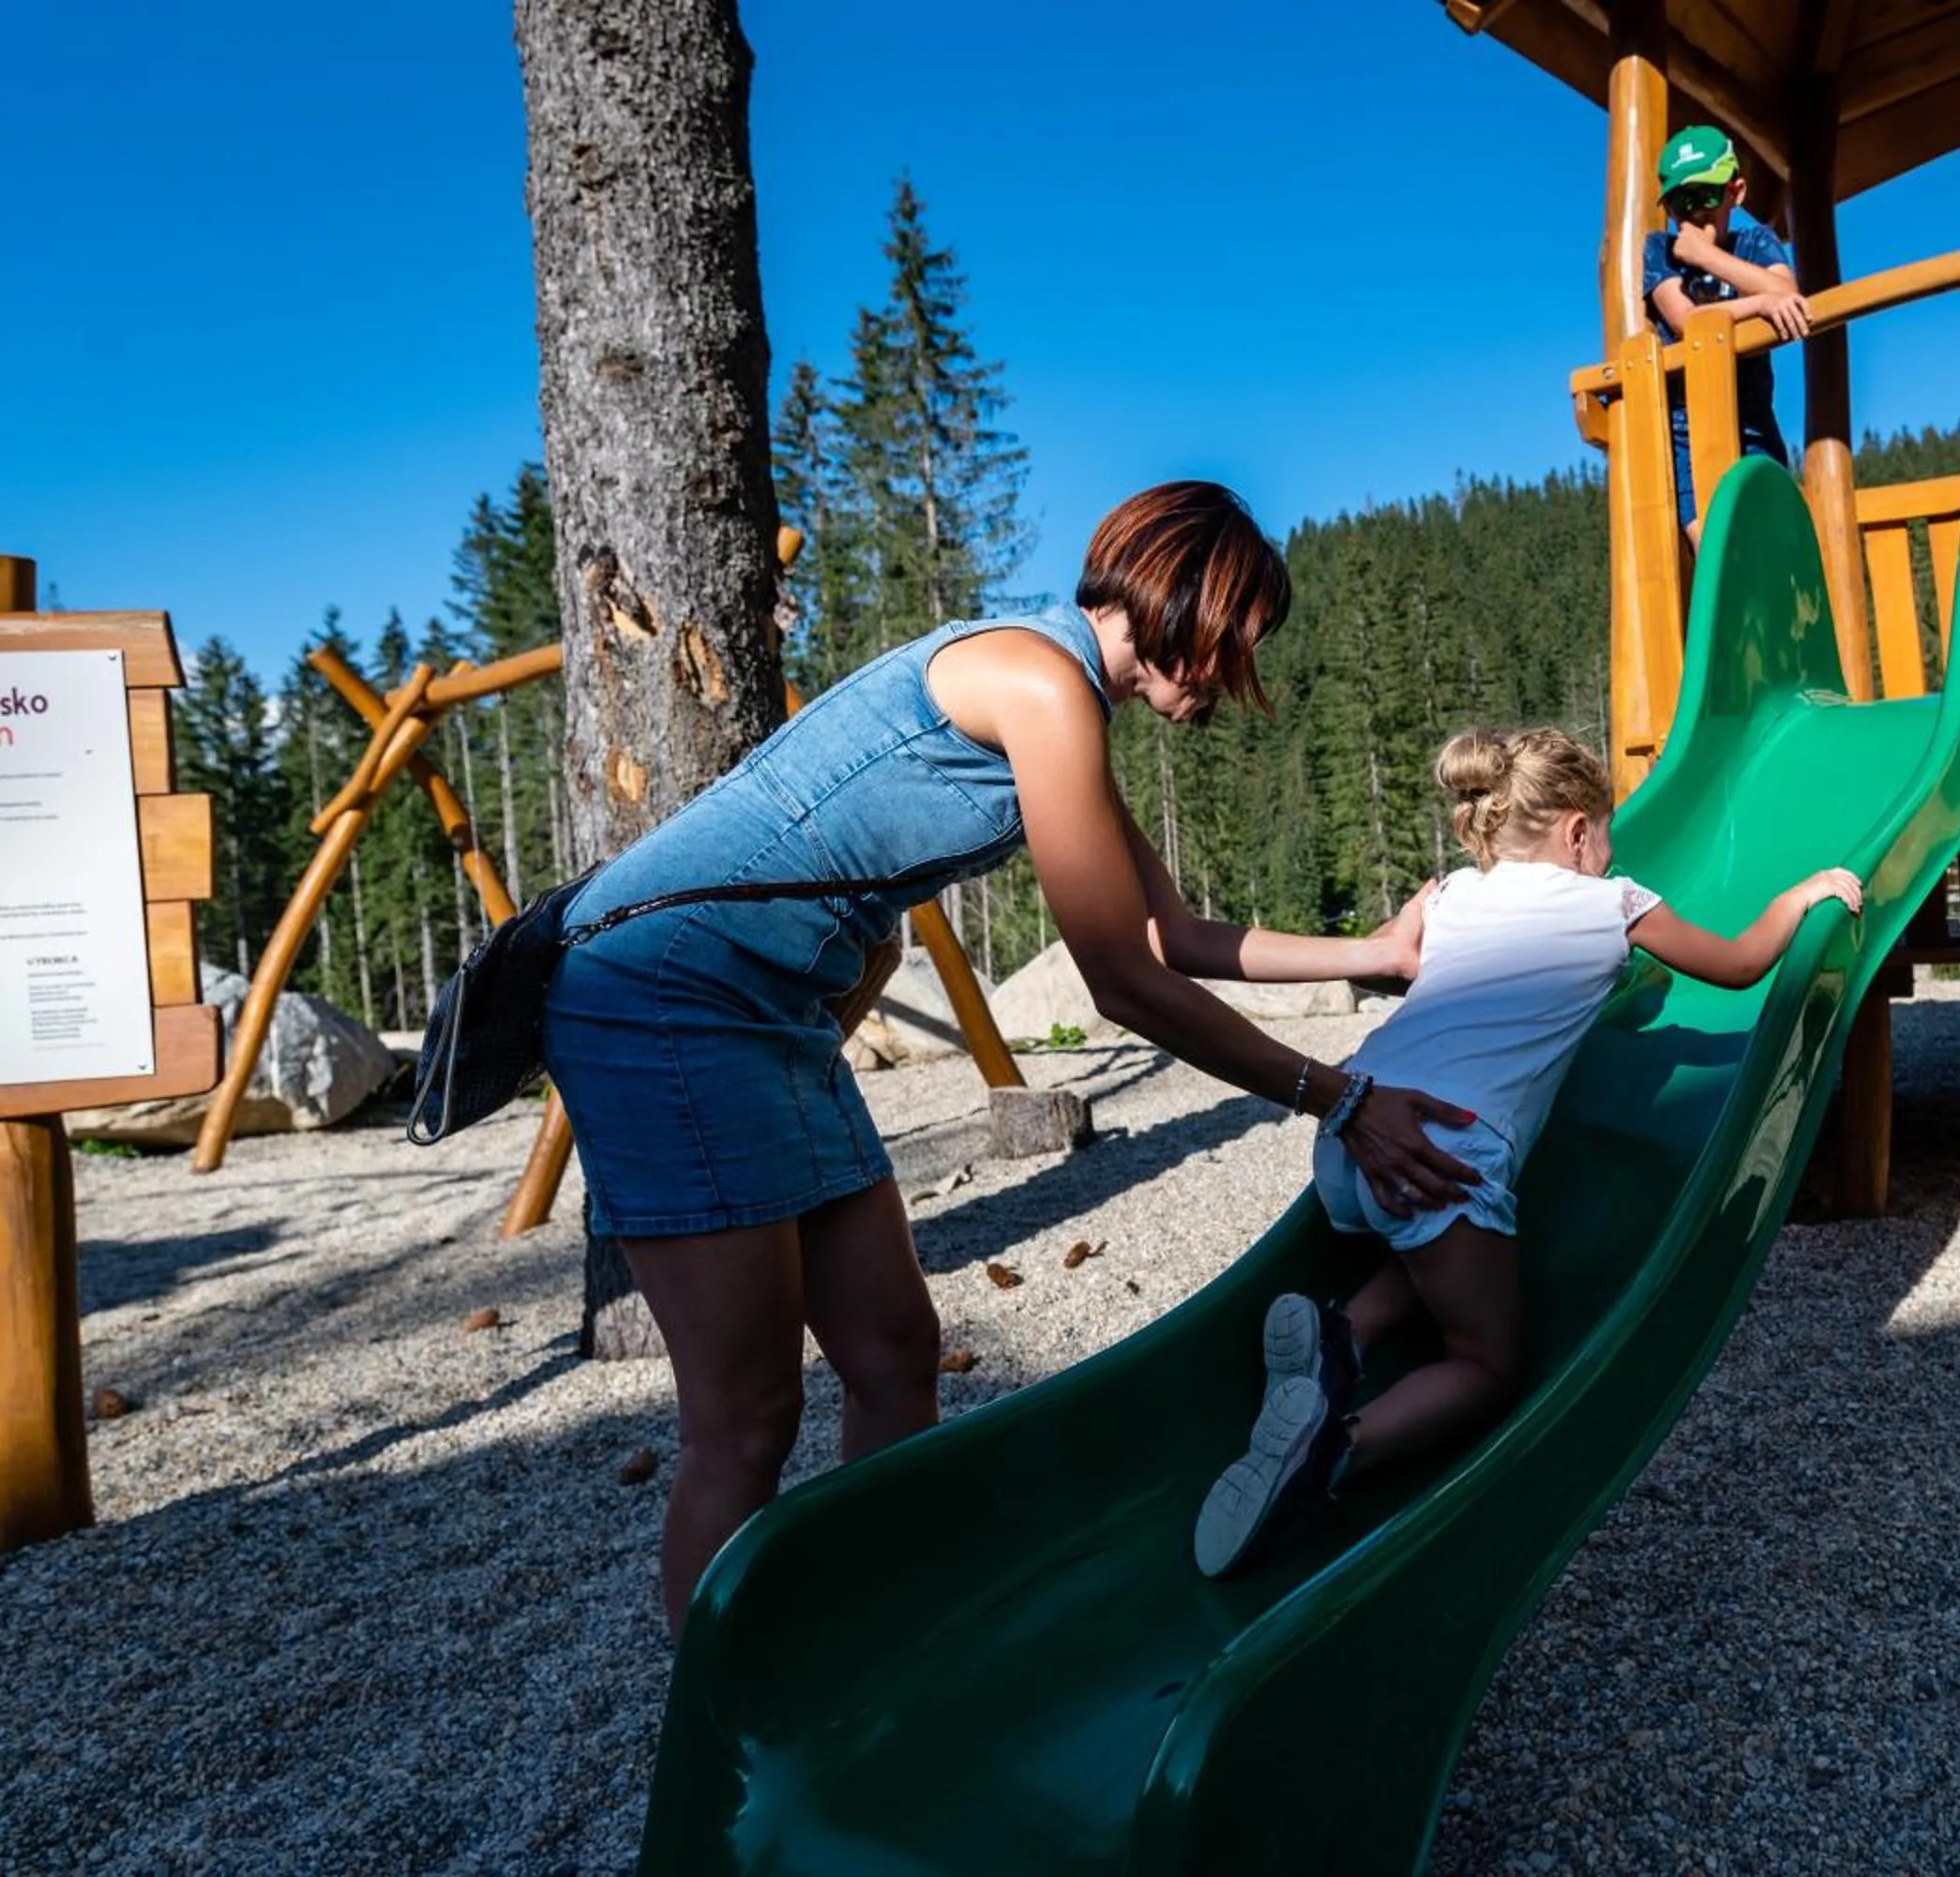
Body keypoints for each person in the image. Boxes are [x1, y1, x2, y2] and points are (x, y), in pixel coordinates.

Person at [540, 482, 1483, 1634]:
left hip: (771, 1010)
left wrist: (1379, 949)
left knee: (894, 1351)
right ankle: (729, 1735)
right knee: (746, 1416)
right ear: (1186, 596)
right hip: (666, 991)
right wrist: (1339, 1097)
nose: (1239, 672)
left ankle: (876, 1632)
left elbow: (1171, 934)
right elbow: (1124, 983)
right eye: (1241, 637)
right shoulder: (1041, 686)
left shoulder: (1062, 696)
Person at [1191, 727, 1864, 1578]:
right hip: (1446, 1150)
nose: (1610, 850)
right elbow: (1738, 966)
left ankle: (1340, 1332)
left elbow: (1409, 970)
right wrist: (1800, 897)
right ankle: (1329, 1453)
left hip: (1352, 1127)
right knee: (1485, 1362)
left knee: (1432, 1251)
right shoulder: (1616, 901)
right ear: (1579, 832)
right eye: (1606, 834)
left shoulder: (1449, 900)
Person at [1643, 126, 1811, 542]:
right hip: (1685, 428)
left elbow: (1786, 292)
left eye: (1706, 196)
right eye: (1681, 203)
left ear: (1735, 192)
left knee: (1775, 534)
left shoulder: (1756, 242)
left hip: (1753, 419)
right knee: (1714, 543)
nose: (1695, 213)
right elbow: (1685, 322)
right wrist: (1757, 304)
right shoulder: (1658, 251)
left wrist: (1708, 257)